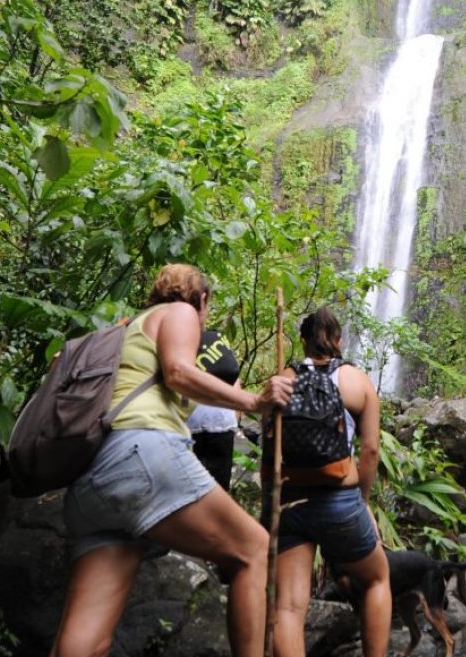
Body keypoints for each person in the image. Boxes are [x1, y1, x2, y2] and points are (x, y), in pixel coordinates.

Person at [51, 264, 293, 657]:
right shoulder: (180, 312)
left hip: (91, 480)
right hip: (140, 455)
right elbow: (179, 371)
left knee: (83, 643)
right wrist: (254, 402)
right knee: (254, 550)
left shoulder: (126, 329)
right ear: (202, 299)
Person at [268, 307, 391, 657]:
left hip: (291, 501)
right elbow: (369, 451)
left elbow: (270, 447)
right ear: (338, 340)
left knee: (289, 607)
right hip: (340, 499)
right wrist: (362, 501)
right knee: (376, 579)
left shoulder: (282, 378)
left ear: (304, 340)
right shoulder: (357, 381)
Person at [189, 329, 243, 491]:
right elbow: (235, 381)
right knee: (218, 488)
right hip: (222, 422)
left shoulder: (177, 342)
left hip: (193, 425)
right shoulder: (216, 341)